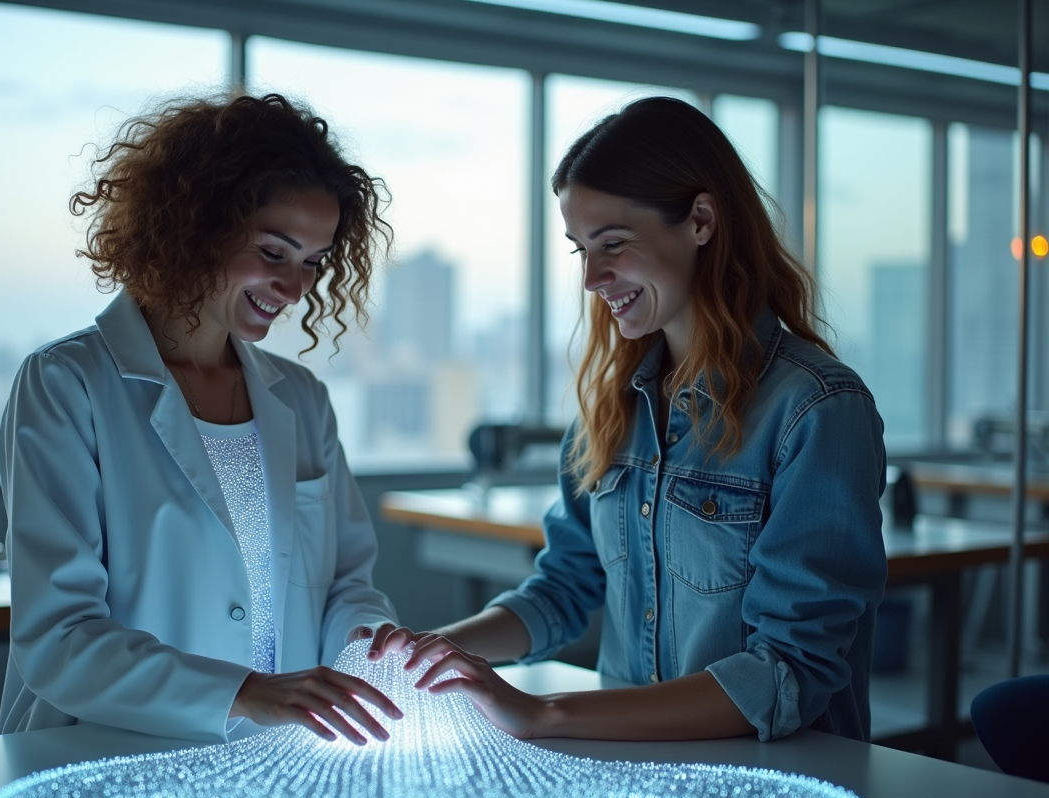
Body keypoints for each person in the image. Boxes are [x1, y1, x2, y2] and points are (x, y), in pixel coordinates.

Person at [367, 96, 888, 743]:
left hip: (781, 773)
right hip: (633, 763)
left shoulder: (815, 409)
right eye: (580, 249)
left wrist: (544, 714)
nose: (592, 276)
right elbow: (563, 588)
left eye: (612, 244)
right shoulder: (611, 406)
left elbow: (787, 673)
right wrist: (431, 653)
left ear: (700, 220)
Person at [0, 93, 404, 746]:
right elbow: (60, 636)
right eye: (274, 253)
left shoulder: (299, 398)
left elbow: (346, 585)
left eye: (313, 262)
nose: (298, 288)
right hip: (107, 745)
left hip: (273, 755)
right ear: (195, 228)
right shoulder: (67, 383)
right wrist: (244, 692)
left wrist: (369, 645)